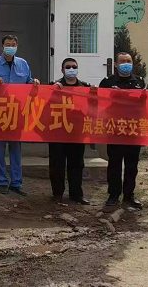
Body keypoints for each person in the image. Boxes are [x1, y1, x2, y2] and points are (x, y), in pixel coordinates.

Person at [0, 35, 40, 196]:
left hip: (17, 112)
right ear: (2, 47)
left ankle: (16, 182)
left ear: (17, 46)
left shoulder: (23, 64)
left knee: (15, 149)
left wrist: (34, 82)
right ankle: (1, 181)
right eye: (8, 44)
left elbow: (28, 82)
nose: (10, 47)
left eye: (13, 45)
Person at [99, 52, 147, 209]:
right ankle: (113, 194)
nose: (126, 63)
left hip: (133, 130)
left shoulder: (139, 81)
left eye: (129, 61)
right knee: (114, 164)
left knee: (132, 165)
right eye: (122, 61)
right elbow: (100, 103)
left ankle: (129, 195)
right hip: (115, 129)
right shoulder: (107, 82)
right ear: (116, 64)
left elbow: (143, 106)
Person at [49, 58, 91, 205]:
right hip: (58, 132)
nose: (71, 69)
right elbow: (44, 105)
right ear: (62, 70)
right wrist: (52, 90)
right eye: (68, 67)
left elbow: (92, 107)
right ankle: (57, 193)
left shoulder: (85, 87)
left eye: (74, 67)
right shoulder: (54, 86)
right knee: (57, 164)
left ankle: (76, 194)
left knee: (77, 164)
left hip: (77, 132)